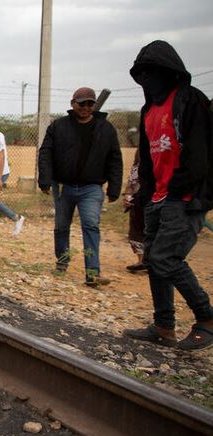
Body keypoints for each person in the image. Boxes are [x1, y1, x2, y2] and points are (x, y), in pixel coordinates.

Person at [123, 40, 213, 351]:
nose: (147, 79)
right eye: (142, 73)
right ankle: (164, 325)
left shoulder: (190, 101)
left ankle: (206, 317)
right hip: (157, 197)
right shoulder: (149, 109)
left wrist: (178, 188)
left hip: (184, 197)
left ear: (169, 71)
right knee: (154, 259)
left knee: (166, 258)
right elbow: (147, 157)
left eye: (153, 72)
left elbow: (200, 154)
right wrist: (147, 193)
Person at [38, 87, 123, 287]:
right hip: (63, 186)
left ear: (94, 105)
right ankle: (62, 260)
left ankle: (92, 272)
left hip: (91, 188)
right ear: (73, 104)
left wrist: (114, 188)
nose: (86, 107)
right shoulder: (59, 126)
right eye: (82, 103)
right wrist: (45, 180)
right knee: (61, 226)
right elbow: (45, 153)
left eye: (89, 104)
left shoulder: (106, 129)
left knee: (91, 225)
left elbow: (115, 159)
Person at [123, 151, 147, 272]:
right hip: (137, 197)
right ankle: (142, 261)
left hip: (154, 196)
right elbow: (133, 173)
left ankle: (153, 261)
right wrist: (128, 193)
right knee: (136, 229)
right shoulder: (140, 152)